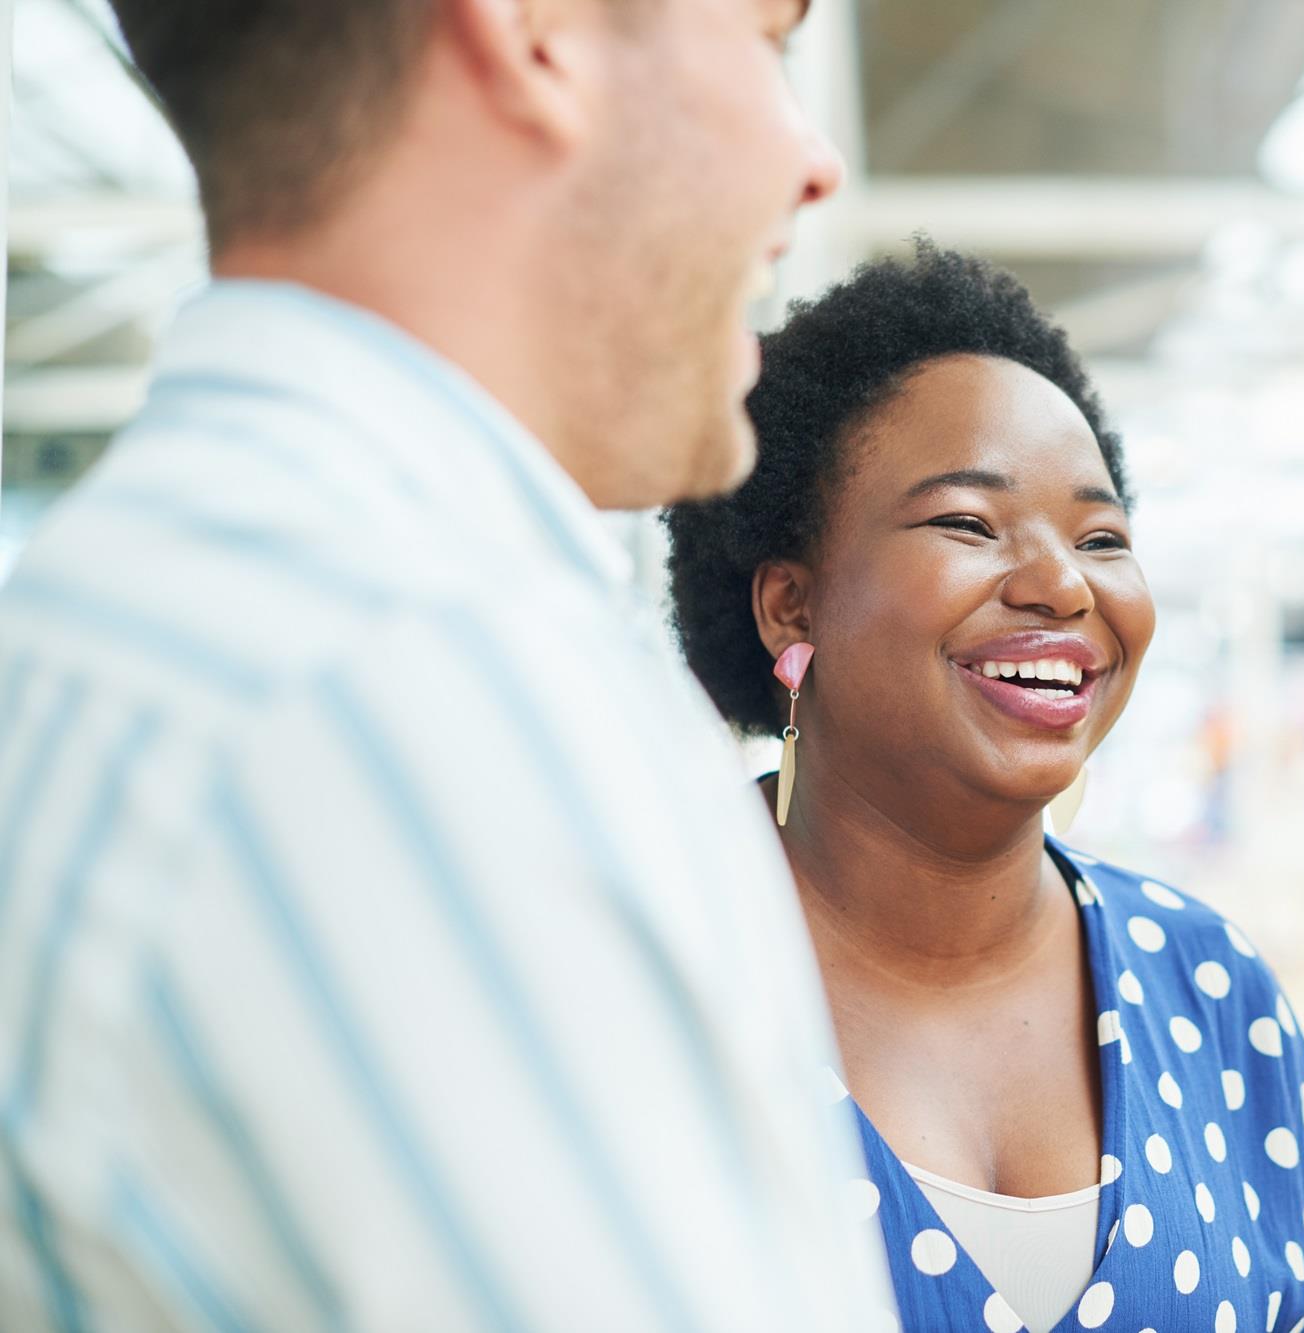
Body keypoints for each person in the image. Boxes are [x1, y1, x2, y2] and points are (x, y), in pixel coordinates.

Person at [0, 2, 895, 1329]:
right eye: (764, 43)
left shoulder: (106, 621)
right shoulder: (415, 680)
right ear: (536, 33)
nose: (813, 160)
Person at [666, 242, 1304, 1333]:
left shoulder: (1215, 991)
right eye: (967, 524)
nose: (1062, 584)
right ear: (791, 605)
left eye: (1101, 536)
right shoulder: (640, 958)